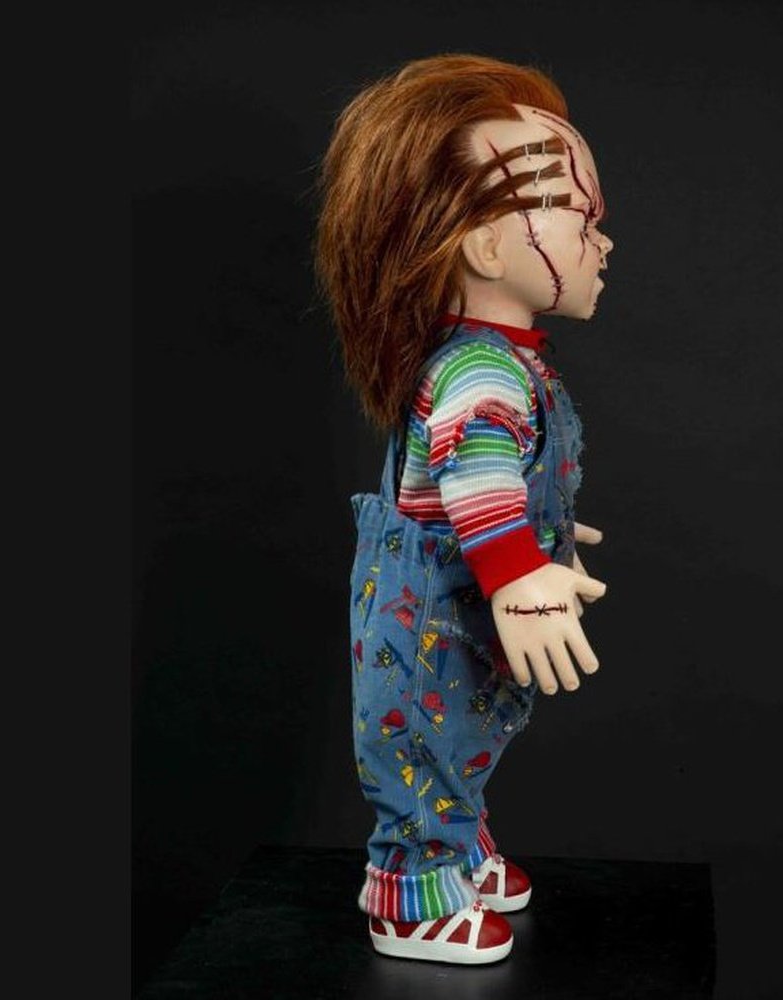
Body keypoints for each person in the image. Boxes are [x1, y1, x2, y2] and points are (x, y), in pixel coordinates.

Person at [315, 53, 613, 965]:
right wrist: (518, 570)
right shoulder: (481, 369)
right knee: (420, 741)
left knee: (463, 737)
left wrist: (548, 530)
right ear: (486, 250)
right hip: (430, 619)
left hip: (459, 608)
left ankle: (458, 844)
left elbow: (483, 477)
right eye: (580, 218)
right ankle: (409, 891)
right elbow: (476, 476)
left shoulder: (501, 361)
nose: (602, 241)